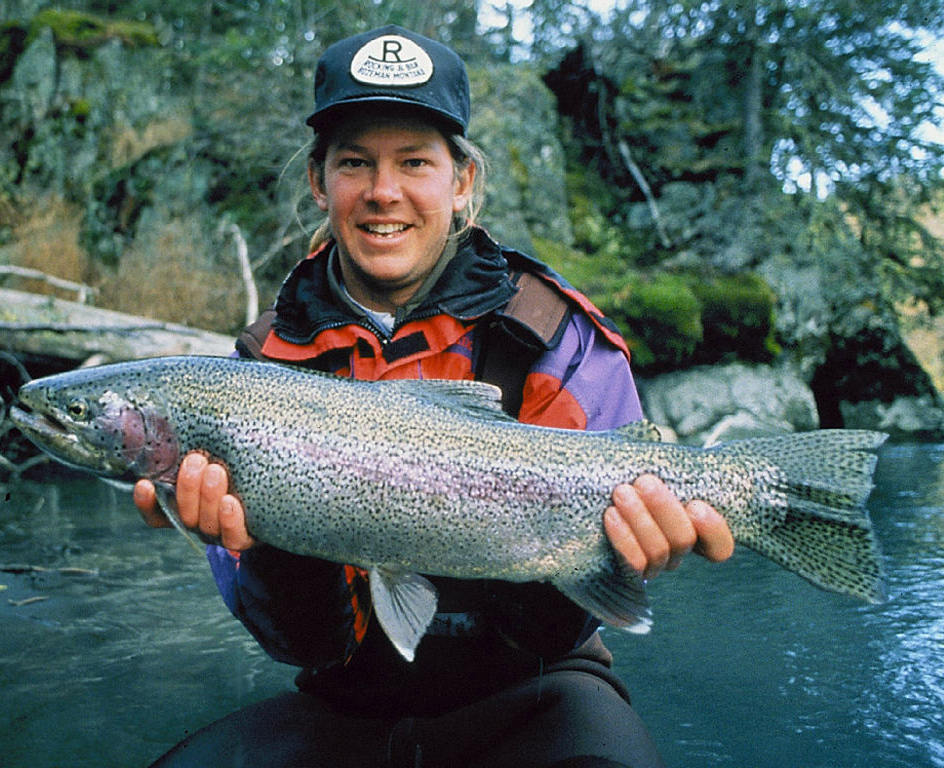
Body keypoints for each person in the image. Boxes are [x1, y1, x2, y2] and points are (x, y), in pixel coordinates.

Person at [137, 25, 735, 768]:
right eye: (355, 162)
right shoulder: (259, 369)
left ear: (462, 183)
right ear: (320, 182)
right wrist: (264, 546)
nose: (384, 191)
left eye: (415, 162)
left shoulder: (554, 336)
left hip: (540, 696)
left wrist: (623, 554)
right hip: (342, 705)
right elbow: (291, 643)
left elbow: (561, 632)